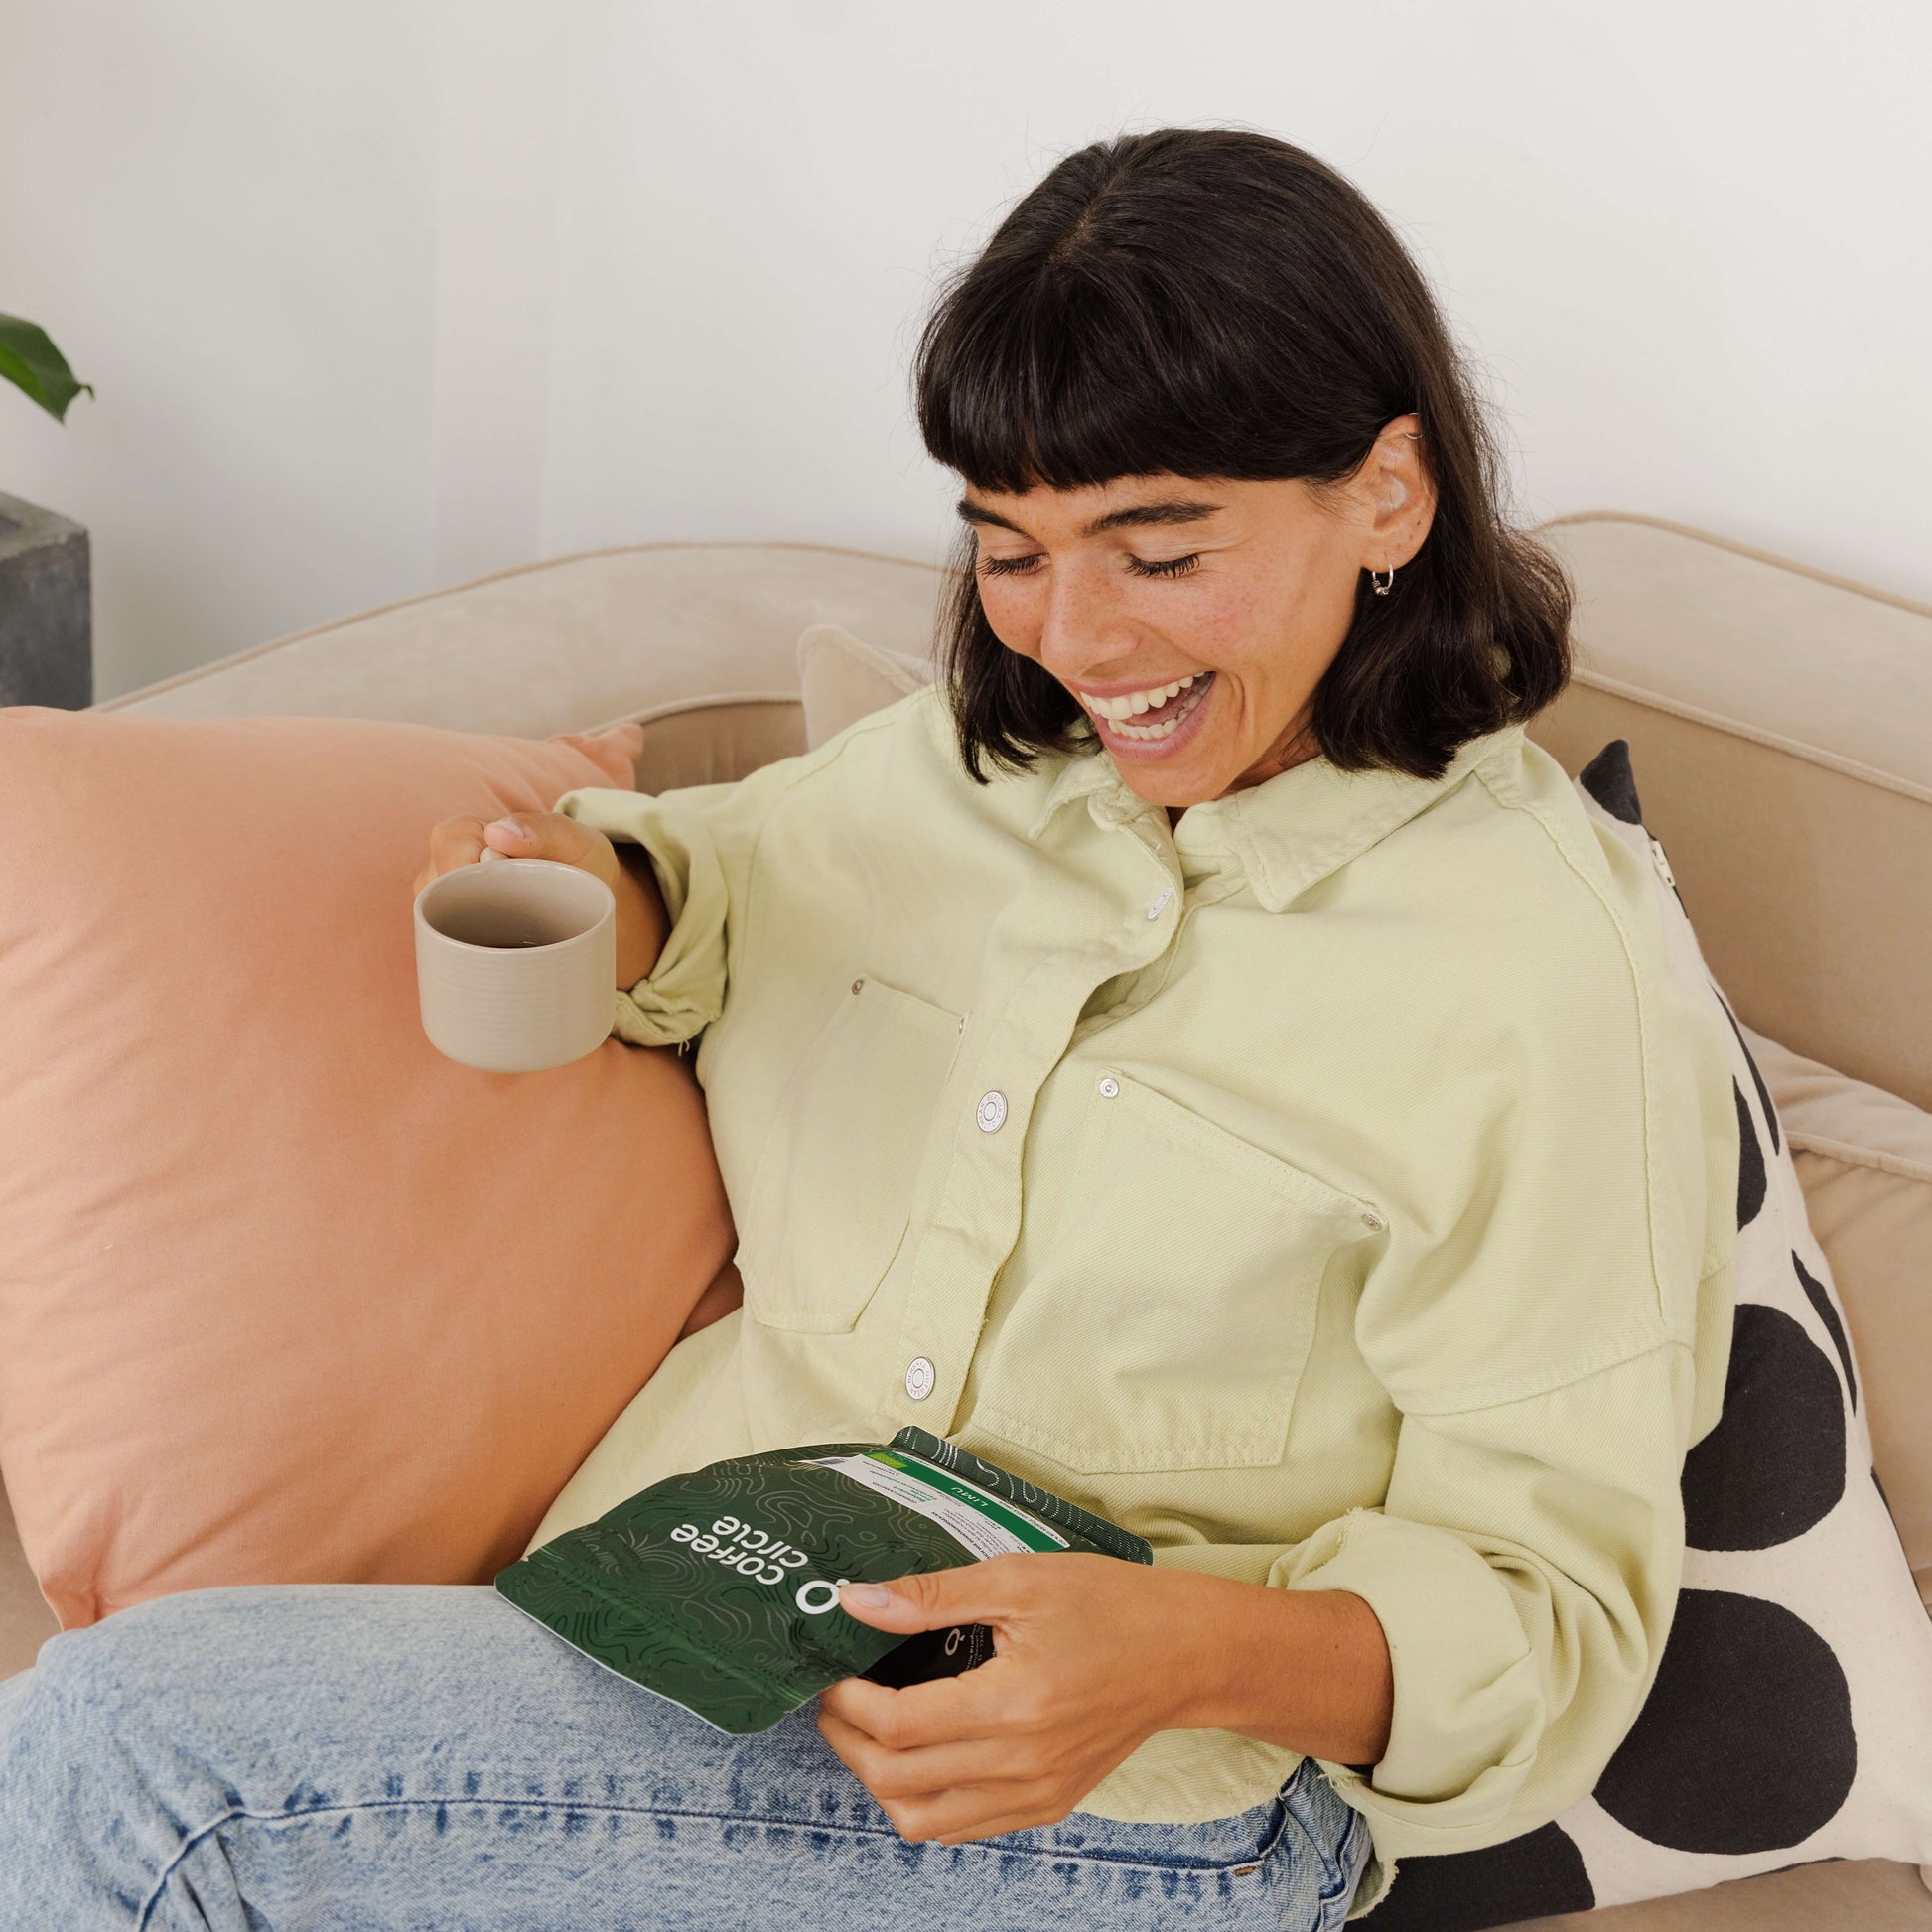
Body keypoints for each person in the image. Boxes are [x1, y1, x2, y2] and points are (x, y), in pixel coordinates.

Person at [0, 127, 1738, 1930]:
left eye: (1156, 551)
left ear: (1387, 495)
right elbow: (736, 883)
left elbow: (1548, 1614)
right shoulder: (971, 774)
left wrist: (1171, 1653)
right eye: (1009, 549)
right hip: (682, 1619)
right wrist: (597, 901)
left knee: (144, 1761)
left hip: (1136, 1797)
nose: (1072, 634)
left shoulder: (1544, 971)